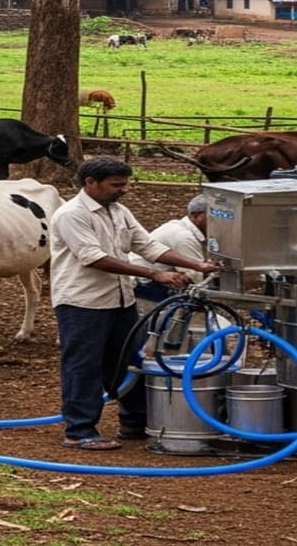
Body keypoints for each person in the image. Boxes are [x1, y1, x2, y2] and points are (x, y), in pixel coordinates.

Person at [49, 157, 220, 450]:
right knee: (83, 365)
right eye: (116, 185)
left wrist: (196, 264)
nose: (123, 190)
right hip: (82, 302)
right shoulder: (71, 214)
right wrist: (154, 273)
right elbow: (93, 257)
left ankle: (134, 423)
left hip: (120, 299)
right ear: (91, 183)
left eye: (125, 184)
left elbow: (148, 245)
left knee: (132, 360)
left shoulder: (118, 211)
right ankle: (79, 430)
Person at [131, 195, 209, 315]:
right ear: (196, 216)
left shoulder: (180, 227)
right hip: (142, 283)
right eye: (212, 217)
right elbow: (196, 277)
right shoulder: (184, 236)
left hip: (145, 277)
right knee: (192, 300)